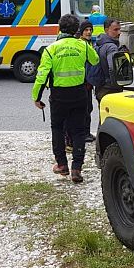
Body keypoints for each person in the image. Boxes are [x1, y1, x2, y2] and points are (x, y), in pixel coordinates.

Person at [32, 14, 99, 183]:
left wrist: (37, 98)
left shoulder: (51, 49)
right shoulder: (82, 45)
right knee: (78, 131)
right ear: (77, 30)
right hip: (79, 94)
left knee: (57, 129)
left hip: (59, 96)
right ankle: (77, 168)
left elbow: (42, 76)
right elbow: (95, 59)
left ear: (59, 29)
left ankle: (62, 165)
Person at [94, 18, 124, 106]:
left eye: (119, 29)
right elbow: (113, 68)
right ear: (107, 30)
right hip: (110, 90)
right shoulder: (111, 47)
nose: (119, 33)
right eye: (115, 30)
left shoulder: (98, 44)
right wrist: (117, 85)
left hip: (100, 88)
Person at [77, 19, 96, 144]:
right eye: (86, 30)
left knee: (88, 108)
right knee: (84, 109)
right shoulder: (81, 45)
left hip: (88, 83)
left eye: (90, 30)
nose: (88, 32)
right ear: (81, 32)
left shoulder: (89, 43)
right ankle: (83, 134)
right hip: (83, 83)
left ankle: (86, 132)